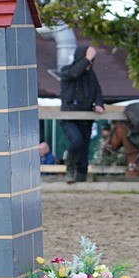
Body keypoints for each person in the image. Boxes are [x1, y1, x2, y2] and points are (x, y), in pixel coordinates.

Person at [58, 45, 105, 183]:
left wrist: (99, 104)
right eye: (88, 60)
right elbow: (74, 73)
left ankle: (81, 179)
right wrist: (87, 58)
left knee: (84, 150)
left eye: (92, 60)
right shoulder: (66, 71)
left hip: (86, 118)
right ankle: (70, 169)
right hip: (69, 118)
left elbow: (97, 91)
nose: (90, 64)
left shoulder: (91, 75)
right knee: (76, 141)